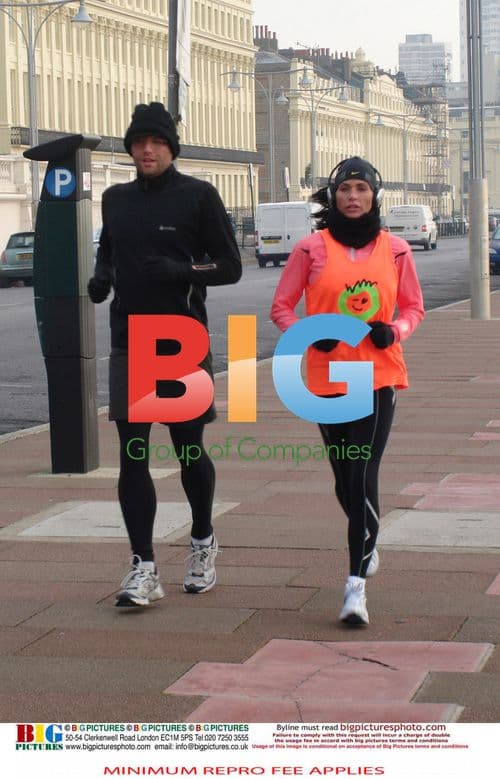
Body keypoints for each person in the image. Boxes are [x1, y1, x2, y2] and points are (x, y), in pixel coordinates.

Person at [88, 102, 242, 607]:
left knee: (187, 449)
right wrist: (103, 277)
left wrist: (181, 272)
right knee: (132, 453)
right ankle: (144, 567)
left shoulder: (198, 196)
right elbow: (109, 249)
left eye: (156, 142)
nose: (147, 150)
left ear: (171, 148)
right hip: (130, 340)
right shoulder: (115, 199)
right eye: (139, 143)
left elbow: (230, 267)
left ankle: (202, 542)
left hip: (181, 341)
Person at [270, 156, 424, 626]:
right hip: (328, 376)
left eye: (361, 189)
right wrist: (305, 334)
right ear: (333, 196)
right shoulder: (310, 248)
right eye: (344, 189)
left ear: (375, 196)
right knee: (343, 479)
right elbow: (281, 307)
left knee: (361, 474)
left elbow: (414, 309)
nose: (353, 197)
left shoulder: (396, 249)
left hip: (377, 374)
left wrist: (394, 331)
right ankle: (369, 538)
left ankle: (355, 587)